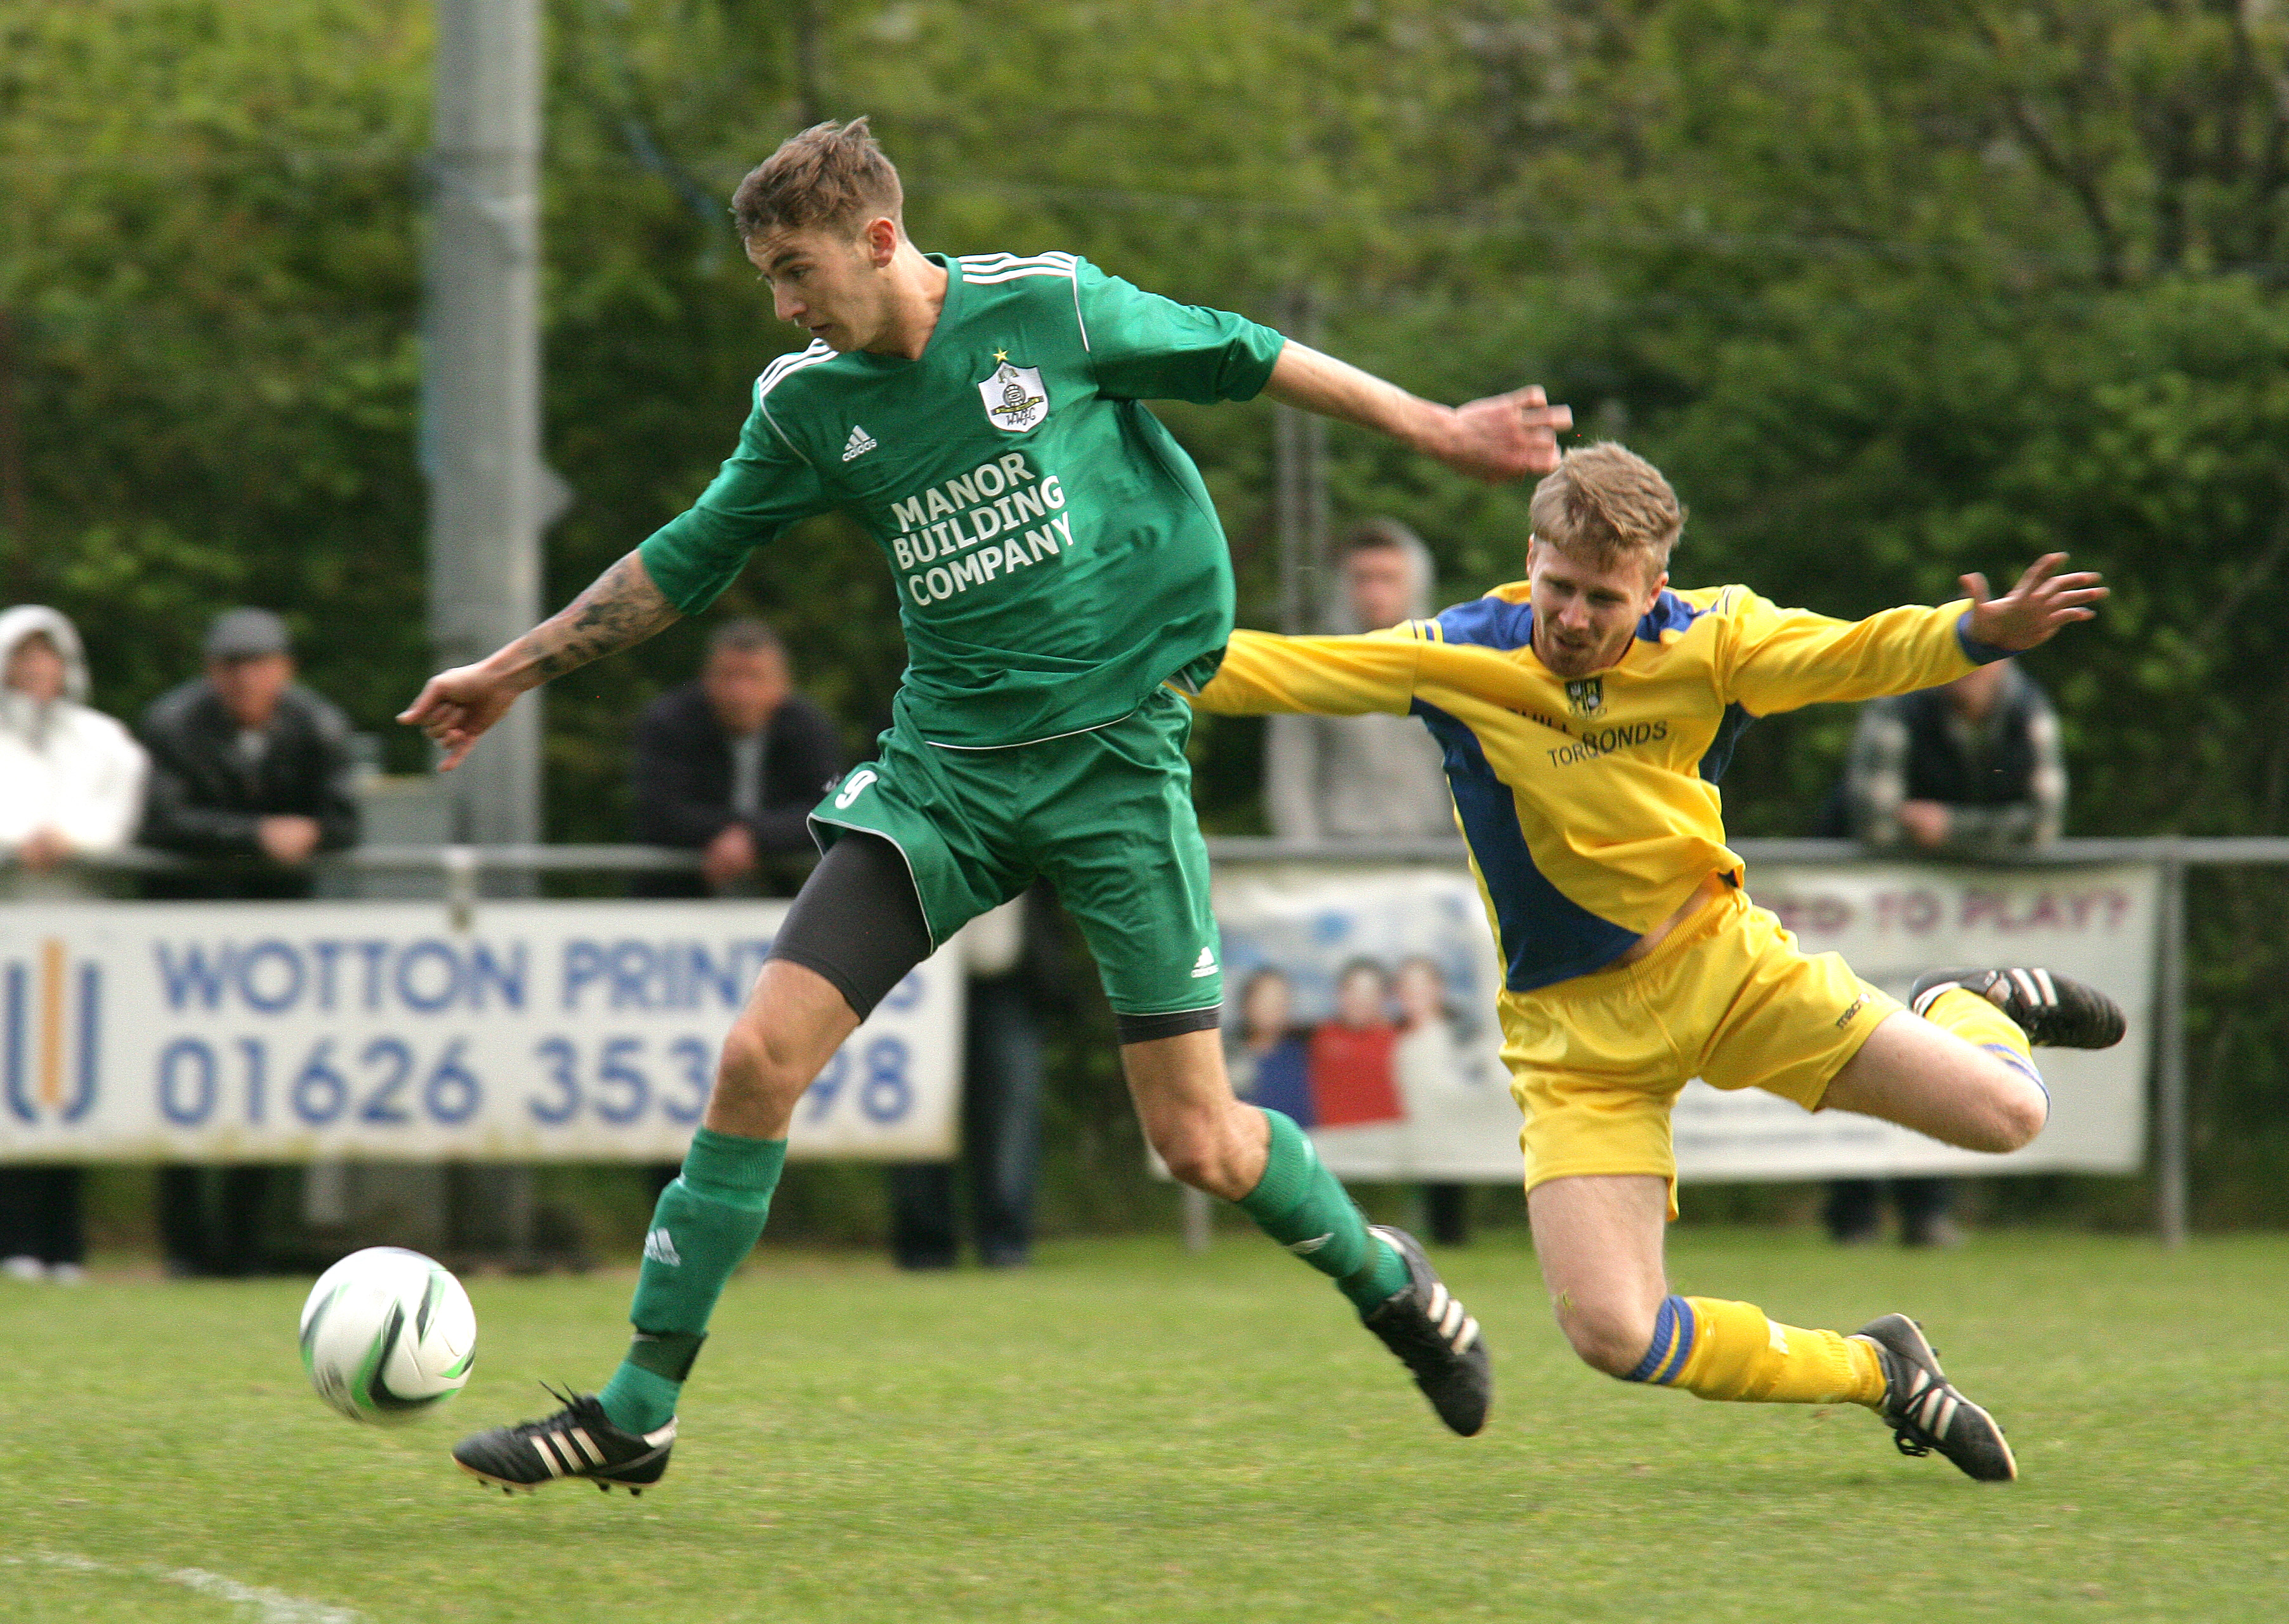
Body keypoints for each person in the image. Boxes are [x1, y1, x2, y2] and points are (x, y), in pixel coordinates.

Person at [405, 118, 1568, 1490]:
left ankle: (1392, 1282)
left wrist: (1436, 426)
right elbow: (687, 559)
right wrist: (509, 672)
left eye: (794, 270)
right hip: (944, 776)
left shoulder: (1052, 310)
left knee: (1197, 1142)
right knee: (755, 1058)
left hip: (1116, 765)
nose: (782, 304)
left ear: (879, 240)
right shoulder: (806, 404)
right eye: (768, 278)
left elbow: (1246, 353)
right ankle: (636, 1407)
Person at [1186, 441, 2121, 1482]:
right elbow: (1264, 669)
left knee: (2010, 1116)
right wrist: (1097, 656)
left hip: (1724, 974)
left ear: (1654, 588)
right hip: (1575, 1043)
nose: (1573, 619)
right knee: (1612, 1334)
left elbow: (1850, 654)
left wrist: (1971, 634)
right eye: (1556, 588)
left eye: (1602, 598)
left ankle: (1969, 1001)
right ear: (1526, 556)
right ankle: (1879, 1372)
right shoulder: (1459, 656)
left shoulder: (1712, 640)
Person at [1266, 521, 1473, 1241]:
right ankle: (1337, 1218)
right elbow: (1289, 779)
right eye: (1361, 578)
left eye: (1387, 577)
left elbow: (1473, 769)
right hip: (1341, 877)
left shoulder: (1449, 661)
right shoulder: (1316, 662)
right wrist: (1305, 871)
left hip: (1431, 874)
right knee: (1341, 1047)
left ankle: (1448, 1215)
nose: (1373, 592)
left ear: (1413, 583)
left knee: (1429, 1040)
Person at [141, 607, 362, 1278]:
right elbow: (160, 820)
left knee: (268, 1085)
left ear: (284, 669)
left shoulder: (318, 726)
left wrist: (311, 836)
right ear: (212, 672)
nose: (245, 679)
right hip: (187, 938)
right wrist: (257, 837)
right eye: (231, 666)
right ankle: (185, 1245)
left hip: (277, 945)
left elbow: (346, 821)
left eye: (258, 664)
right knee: (179, 1086)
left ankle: (240, 1244)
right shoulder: (171, 725)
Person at [1822, 658, 2069, 1247]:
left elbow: (2045, 823)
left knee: (1949, 1054)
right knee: (1852, 1039)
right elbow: (1873, 818)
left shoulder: (2029, 711)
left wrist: (1950, 829)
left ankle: (1927, 1209)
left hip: (1959, 918)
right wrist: (1979, 834)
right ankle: (1853, 1212)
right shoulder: (1901, 705)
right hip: (1867, 914)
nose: (1966, 675)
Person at [0, 606, 148, 1285]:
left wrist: (72, 842)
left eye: (45, 655)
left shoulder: (103, 740)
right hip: (9, 931)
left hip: (81, 935)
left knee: (69, 1088)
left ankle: (65, 1245)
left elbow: (117, 816)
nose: (35, 669)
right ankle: (15, 1242)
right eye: (22, 655)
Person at [886, 886, 1061, 1270]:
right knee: (918, 1110)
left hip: (1006, 980)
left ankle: (1007, 1245)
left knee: (1011, 1117)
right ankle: (924, 1248)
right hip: (916, 982)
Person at [632, 618, 845, 898]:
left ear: (782, 684)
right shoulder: (670, 722)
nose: (739, 693)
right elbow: (660, 810)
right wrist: (736, 835)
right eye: (729, 676)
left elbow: (832, 807)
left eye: (753, 677)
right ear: (706, 678)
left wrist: (753, 837)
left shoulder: (809, 727)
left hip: (783, 900)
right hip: (677, 902)